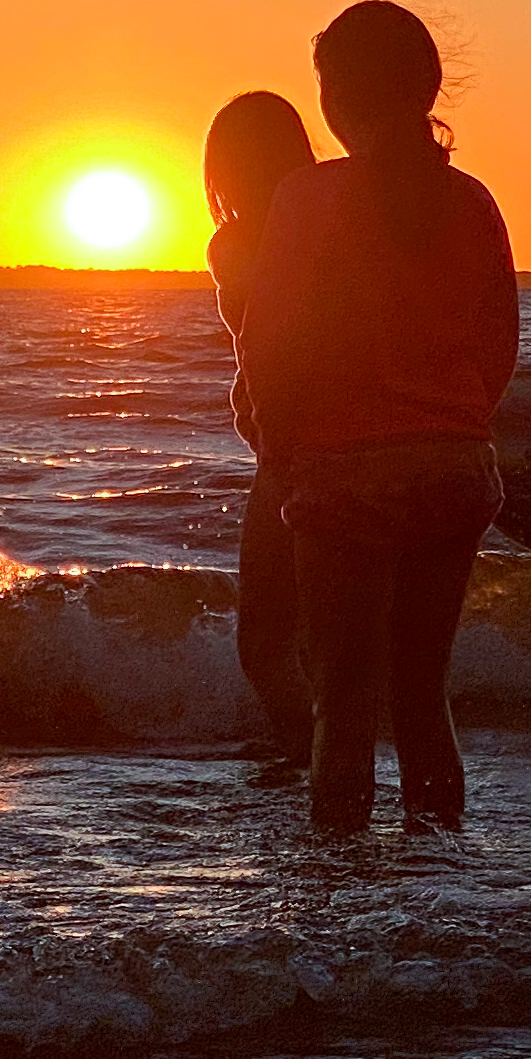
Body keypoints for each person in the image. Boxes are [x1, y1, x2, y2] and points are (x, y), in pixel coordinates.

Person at [229, 2, 518, 834]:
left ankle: (343, 886)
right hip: (457, 468)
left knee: (345, 696)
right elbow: (499, 342)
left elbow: (271, 343)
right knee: (422, 690)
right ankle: (436, 868)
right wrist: (456, 425)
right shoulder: (472, 200)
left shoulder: (305, 198)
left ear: (338, 96)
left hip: (343, 474)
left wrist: (284, 453)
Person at [203, 90, 321, 765]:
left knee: (265, 641)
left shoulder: (238, 244)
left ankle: (305, 754)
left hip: (290, 451)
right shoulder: (336, 223)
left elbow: (271, 349)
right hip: (322, 440)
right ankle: (316, 752)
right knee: (311, 636)